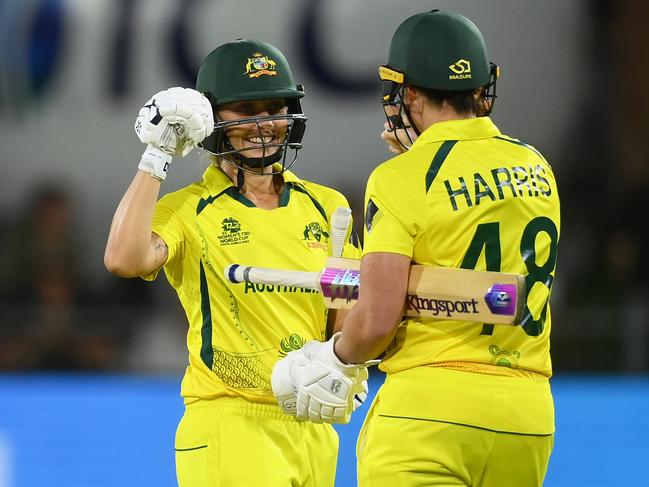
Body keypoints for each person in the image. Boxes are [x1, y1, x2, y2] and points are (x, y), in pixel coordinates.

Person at [272, 9, 560, 487]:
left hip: (428, 411)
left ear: (407, 94)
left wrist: (335, 357)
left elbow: (379, 318)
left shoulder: (401, 177)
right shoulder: (536, 165)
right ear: (480, 86)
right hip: (527, 415)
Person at [104, 38, 360, 487]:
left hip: (314, 427)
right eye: (246, 111)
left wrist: (344, 363)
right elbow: (123, 259)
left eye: (275, 108)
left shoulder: (327, 206)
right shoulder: (189, 208)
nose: (265, 124)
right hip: (230, 422)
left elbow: (342, 315)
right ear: (211, 119)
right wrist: (158, 153)